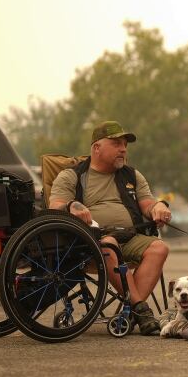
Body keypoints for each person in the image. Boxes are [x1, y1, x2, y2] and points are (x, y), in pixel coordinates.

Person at [49, 120, 171, 335]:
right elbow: (54, 207)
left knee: (159, 248)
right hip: (90, 243)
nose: (123, 149)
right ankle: (141, 311)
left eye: (125, 144)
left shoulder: (132, 175)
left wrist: (159, 206)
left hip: (130, 238)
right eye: (116, 144)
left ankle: (134, 310)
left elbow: (147, 205)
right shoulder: (72, 176)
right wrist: (71, 205)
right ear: (97, 147)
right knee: (109, 244)